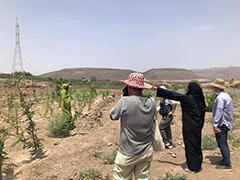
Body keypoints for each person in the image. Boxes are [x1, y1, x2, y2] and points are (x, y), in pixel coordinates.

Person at [110, 72, 156, 180]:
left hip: (127, 152)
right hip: (146, 150)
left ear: (129, 87)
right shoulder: (151, 102)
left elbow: (113, 116)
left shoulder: (125, 101)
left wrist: (124, 99)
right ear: (142, 88)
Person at [153, 82, 206, 173]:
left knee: (190, 146)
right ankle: (197, 164)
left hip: (189, 127)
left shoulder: (189, 99)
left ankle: (192, 167)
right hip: (197, 126)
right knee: (196, 145)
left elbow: (173, 95)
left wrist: (158, 90)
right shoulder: (200, 100)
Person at [210, 78, 233, 171]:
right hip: (226, 123)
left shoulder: (220, 98)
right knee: (223, 142)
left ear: (216, 86)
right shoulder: (226, 96)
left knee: (222, 143)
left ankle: (227, 164)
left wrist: (215, 124)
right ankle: (225, 160)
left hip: (221, 124)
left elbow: (219, 111)